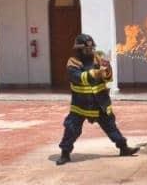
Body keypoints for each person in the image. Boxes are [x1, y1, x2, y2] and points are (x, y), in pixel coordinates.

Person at [56, 33, 139, 165]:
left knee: (111, 127)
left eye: (91, 48)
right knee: (71, 129)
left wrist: (106, 70)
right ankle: (65, 154)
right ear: (79, 49)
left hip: (100, 102)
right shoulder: (73, 62)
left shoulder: (98, 59)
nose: (90, 51)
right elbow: (76, 77)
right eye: (86, 49)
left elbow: (108, 78)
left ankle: (123, 148)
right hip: (81, 104)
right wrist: (93, 73)